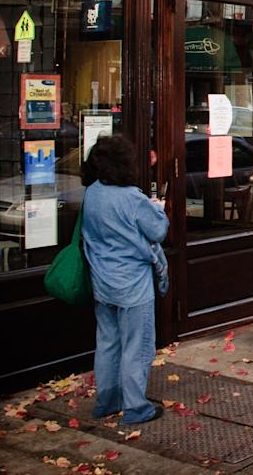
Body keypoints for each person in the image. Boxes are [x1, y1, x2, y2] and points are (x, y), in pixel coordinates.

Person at [81, 135, 169, 424]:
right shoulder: (132, 197)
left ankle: (107, 400)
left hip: (102, 281)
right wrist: (157, 206)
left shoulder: (92, 193)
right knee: (137, 345)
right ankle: (135, 407)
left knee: (107, 342)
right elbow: (158, 230)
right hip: (132, 283)